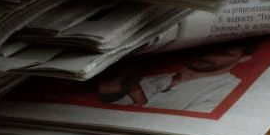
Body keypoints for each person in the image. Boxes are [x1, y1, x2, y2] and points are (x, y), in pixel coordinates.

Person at [97, 42, 259, 114]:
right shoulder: (150, 79)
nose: (206, 56)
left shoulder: (230, 91)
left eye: (222, 53)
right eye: (202, 48)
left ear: (244, 58)